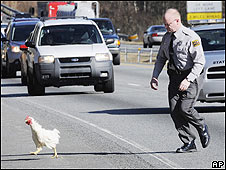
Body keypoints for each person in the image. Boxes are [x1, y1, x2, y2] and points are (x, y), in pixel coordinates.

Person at [150, 8, 210, 153]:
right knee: (174, 110)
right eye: (164, 24)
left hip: (191, 76)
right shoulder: (167, 37)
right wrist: (155, 76)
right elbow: (161, 58)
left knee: (185, 108)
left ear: (177, 21)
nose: (166, 27)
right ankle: (189, 142)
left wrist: (188, 80)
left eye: (168, 24)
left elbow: (200, 62)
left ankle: (201, 126)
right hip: (174, 77)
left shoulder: (191, 37)